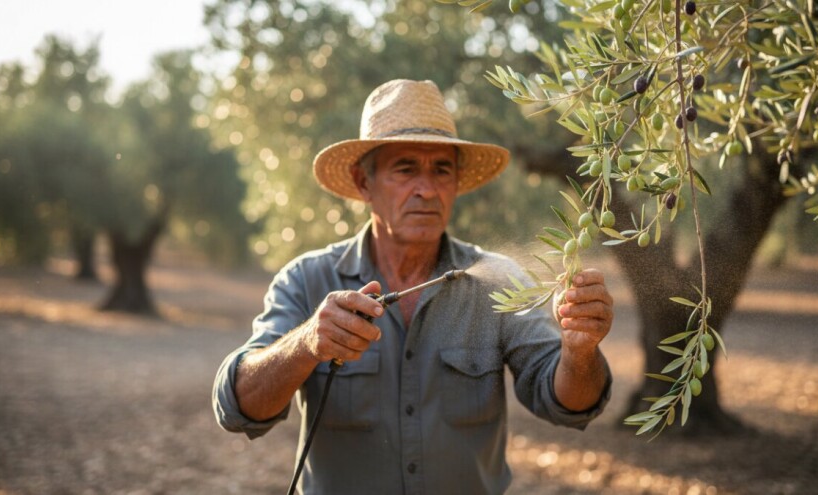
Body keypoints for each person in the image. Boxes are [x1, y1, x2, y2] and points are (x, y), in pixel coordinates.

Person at [212, 79, 613, 495]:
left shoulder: (499, 281)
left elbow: (570, 406)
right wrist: (307, 343)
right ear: (364, 183)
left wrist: (580, 351)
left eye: (441, 170)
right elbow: (238, 408)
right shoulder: (306, 280)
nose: (426, 189)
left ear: (456, 183)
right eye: (405, 168)